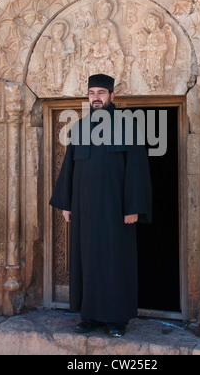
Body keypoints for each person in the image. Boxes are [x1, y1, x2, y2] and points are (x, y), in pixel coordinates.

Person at [50, 73, 152, 337]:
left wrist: (133, 208)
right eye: (92, 93)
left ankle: (118, 319)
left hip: (116, 212)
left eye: (101, 93)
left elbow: (137, 170)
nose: (96, 97)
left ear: (112, 96)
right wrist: (66, 204)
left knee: (115, 262)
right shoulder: (80, 128)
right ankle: (90, 316)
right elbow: (69, 168)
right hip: (85, 211)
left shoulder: (128, 126)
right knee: (88, 261)